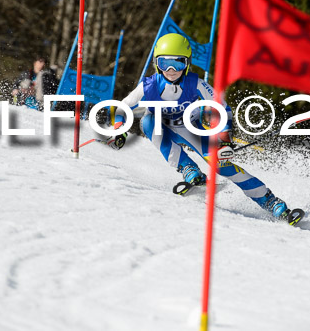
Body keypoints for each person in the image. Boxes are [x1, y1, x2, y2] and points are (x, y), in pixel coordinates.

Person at [109, 33, 299, 222]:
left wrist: (224, 141)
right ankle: (188, 168)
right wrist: (119, 130)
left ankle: (271, 202)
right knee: (148, 122)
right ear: (156, 64)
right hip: (162, 128)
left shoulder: (196, 84)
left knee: (222, 166)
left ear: (187, 64)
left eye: (178, 63)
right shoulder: (148, 86)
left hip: (191, 129)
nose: (172, 70)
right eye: (165, 63)